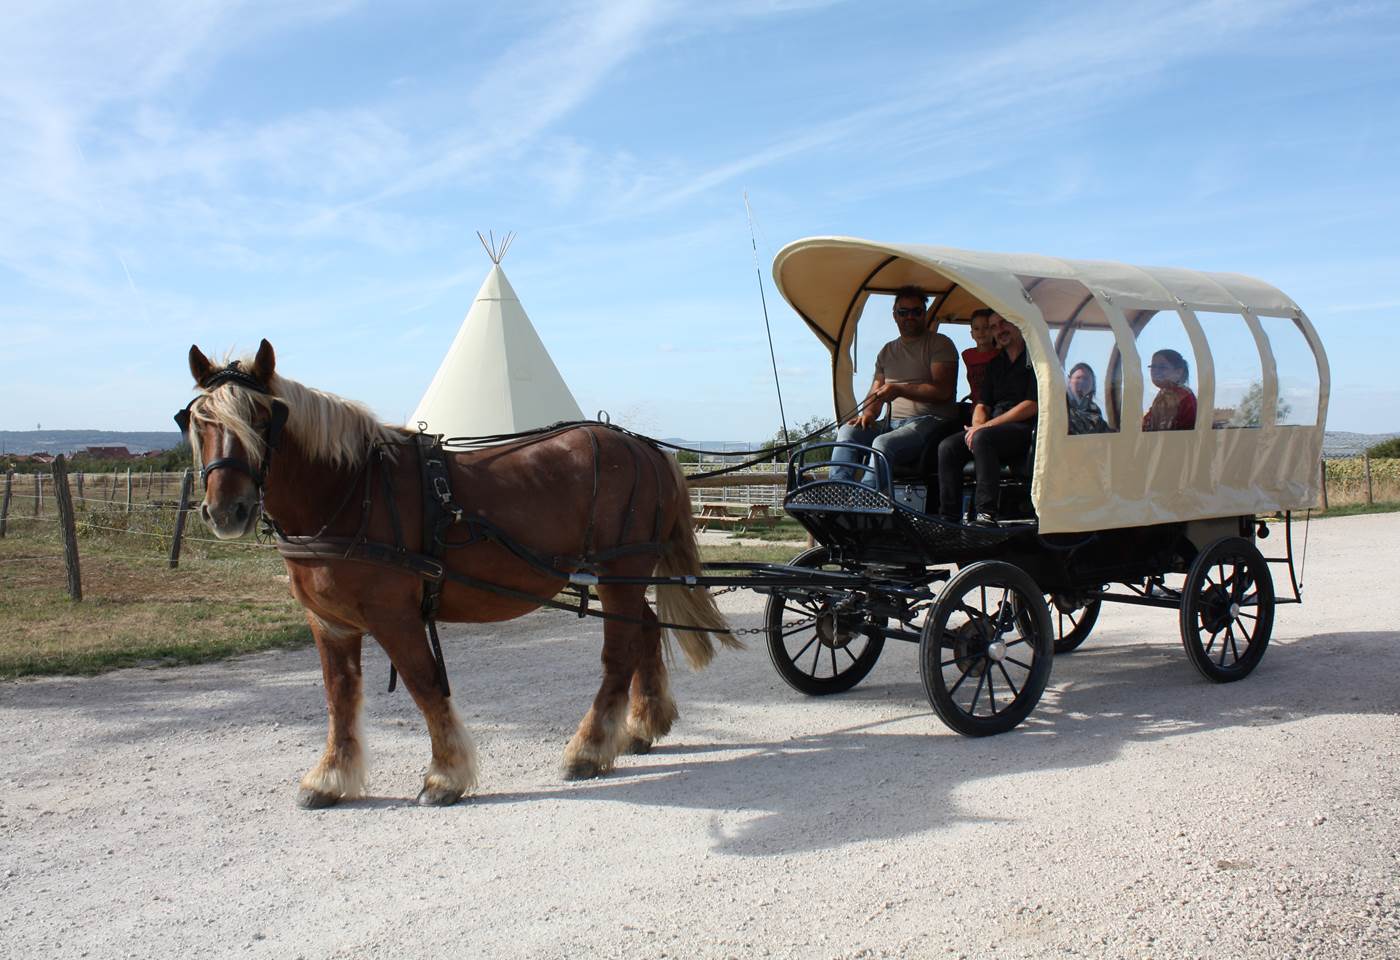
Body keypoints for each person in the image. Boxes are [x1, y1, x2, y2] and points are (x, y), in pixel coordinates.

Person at [830, 287, 961, 486]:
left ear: (924, 313)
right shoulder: (887, 351)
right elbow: (876, 392)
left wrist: (899, 389)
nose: (910, 316)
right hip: (891, 424)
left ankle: (866, 498)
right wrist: (869, 415)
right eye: (903, 312)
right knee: (848, 432)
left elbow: (942, 391)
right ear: (895, 315)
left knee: (883, 443)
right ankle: (837, 491)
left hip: (931, 423)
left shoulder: (940, 344)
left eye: (916, 311)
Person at [937, 313, 1038, 523]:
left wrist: (985, 428)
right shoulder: (995, 364)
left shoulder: (1035, 360)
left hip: (1023, 428)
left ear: (1017, 323)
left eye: (1003, 323)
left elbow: (1031, 405)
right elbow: (983, 403)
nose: (999, 330)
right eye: (994, 327)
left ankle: (986, 513)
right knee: (948, 447)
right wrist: (976, 426)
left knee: (984, 438)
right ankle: (948, 518)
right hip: (993, 427)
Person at [1142, 349, 1196, 431]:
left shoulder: (1182, 395)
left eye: (1162, 367)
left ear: (1178, 372)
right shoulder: (1163, 394)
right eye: (1153, 367)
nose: (1155, 371)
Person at [962, 308, 1000, 401]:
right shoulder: (967, 355)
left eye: (986, 327)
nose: (981, 332)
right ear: (972, 334)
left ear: (993, 330)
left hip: (996, 405)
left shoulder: (1001, 354)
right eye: (976, 328)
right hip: (976, 406)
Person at [1066, 362, 1109, 435]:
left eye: (1086, 379)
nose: (1082, 382)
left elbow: (1105, 432)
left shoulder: (1094, 409)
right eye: (1078, 378)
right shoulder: (1061, 405)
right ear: (1069, 381)